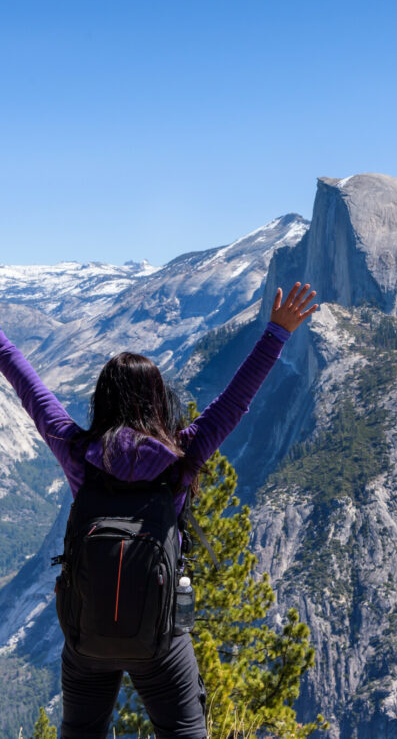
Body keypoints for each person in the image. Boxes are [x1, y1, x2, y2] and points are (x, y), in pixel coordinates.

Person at [0, 280, 319, 739]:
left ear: (101, 401)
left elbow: (29, 388)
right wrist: (276, 332)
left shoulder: (79, 454)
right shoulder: (182, 457)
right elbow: (235, 401)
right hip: (162, 641)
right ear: (157, 401)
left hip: (87, 639)